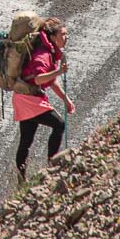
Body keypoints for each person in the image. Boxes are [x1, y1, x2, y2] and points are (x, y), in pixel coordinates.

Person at [13, 17, 75, 183]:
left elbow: (50, 81)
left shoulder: (48, 52)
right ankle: (52, 165)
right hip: (29, 99)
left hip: (24, 97)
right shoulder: (43, 54)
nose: (66, 37)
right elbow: (40, 78)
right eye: (63, 34)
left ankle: (21, 180)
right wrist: (59, 72)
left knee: (26, 141)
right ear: (53, 37)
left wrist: (66, 100)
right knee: (59, 124)